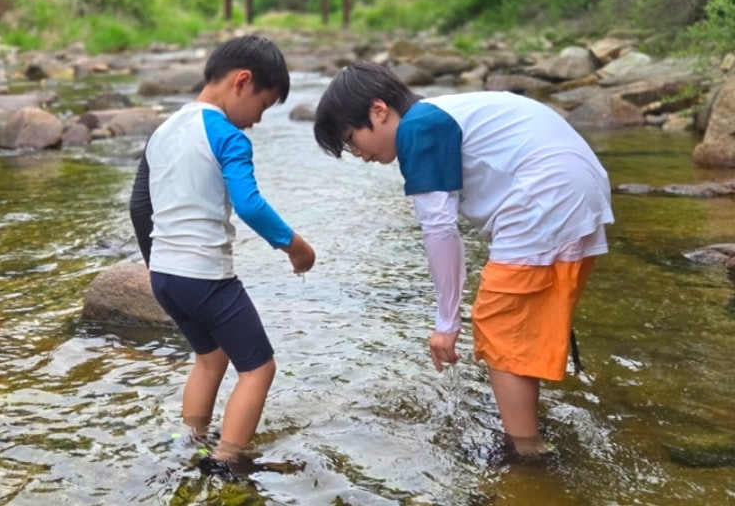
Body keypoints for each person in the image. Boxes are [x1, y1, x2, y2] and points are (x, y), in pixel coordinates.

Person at [313, 61, 613, 459]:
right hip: (577, 192)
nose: (357, 154)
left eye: (351, 140)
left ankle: (526, 455)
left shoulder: (419, 129)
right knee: (516, 327)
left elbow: (439, 231)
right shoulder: (443, 113)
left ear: (378, 111)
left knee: (498, 324)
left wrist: (445, 323)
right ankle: (527, 434)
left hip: (546, 196)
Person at [129, 35, 316, 475]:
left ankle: (188, 440)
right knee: (259, 369)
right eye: (264, 106)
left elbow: (139, 206)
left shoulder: (163, 130)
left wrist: (159, 265)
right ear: (242, 82)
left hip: (166, 277)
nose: (258, 120)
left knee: (210, 359)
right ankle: (225, 458)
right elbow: (249, 205)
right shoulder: (228, 137)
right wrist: (296, 247)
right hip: (207, 278)